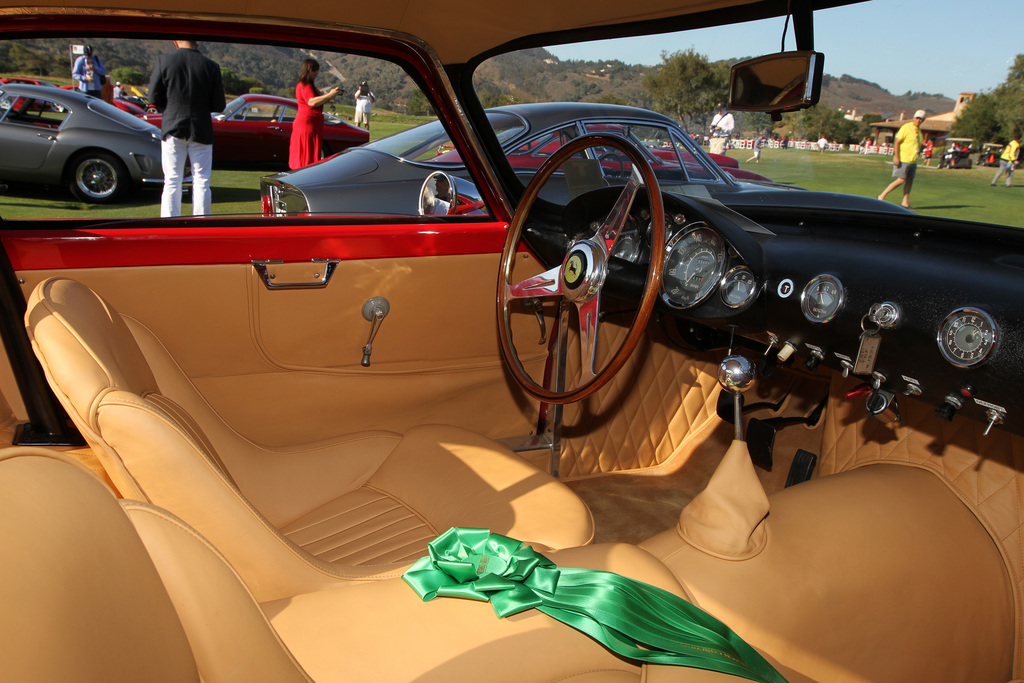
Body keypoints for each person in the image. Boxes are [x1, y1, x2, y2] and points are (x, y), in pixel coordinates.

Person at [149, 39, 226, 217]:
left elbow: (154, 96)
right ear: (196, 44)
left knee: (172, 180)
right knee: (202, 180)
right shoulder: (211, 66)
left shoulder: (164, 61)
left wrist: (169, 108)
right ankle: (201, 223)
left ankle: (169, 224)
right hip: (201, 127)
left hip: (172, 125)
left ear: (176, 43)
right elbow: (219, 104)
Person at [289, 59, 341, 170]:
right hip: (306, 124)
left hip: (312, 124)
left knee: (311, 152)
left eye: (316, 71)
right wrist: (329, 95)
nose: (315, 73)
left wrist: (330, 96)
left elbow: (318, 100)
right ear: (307, 70)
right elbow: (311, 102)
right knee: (306, 154)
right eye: (313, 70)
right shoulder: (305, 85)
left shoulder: (310, 85)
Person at [877, 109, 925, 209]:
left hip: (912, 160)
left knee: (909, 180)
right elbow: (897, 142)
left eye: (921, 119)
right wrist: (896, 157)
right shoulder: (906, 127)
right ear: (914, 118)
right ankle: (881, 196)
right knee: (901, 180)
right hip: (904, 158)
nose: (918, 120)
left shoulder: (919, 131)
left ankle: (905, 203)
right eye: (917, 118)